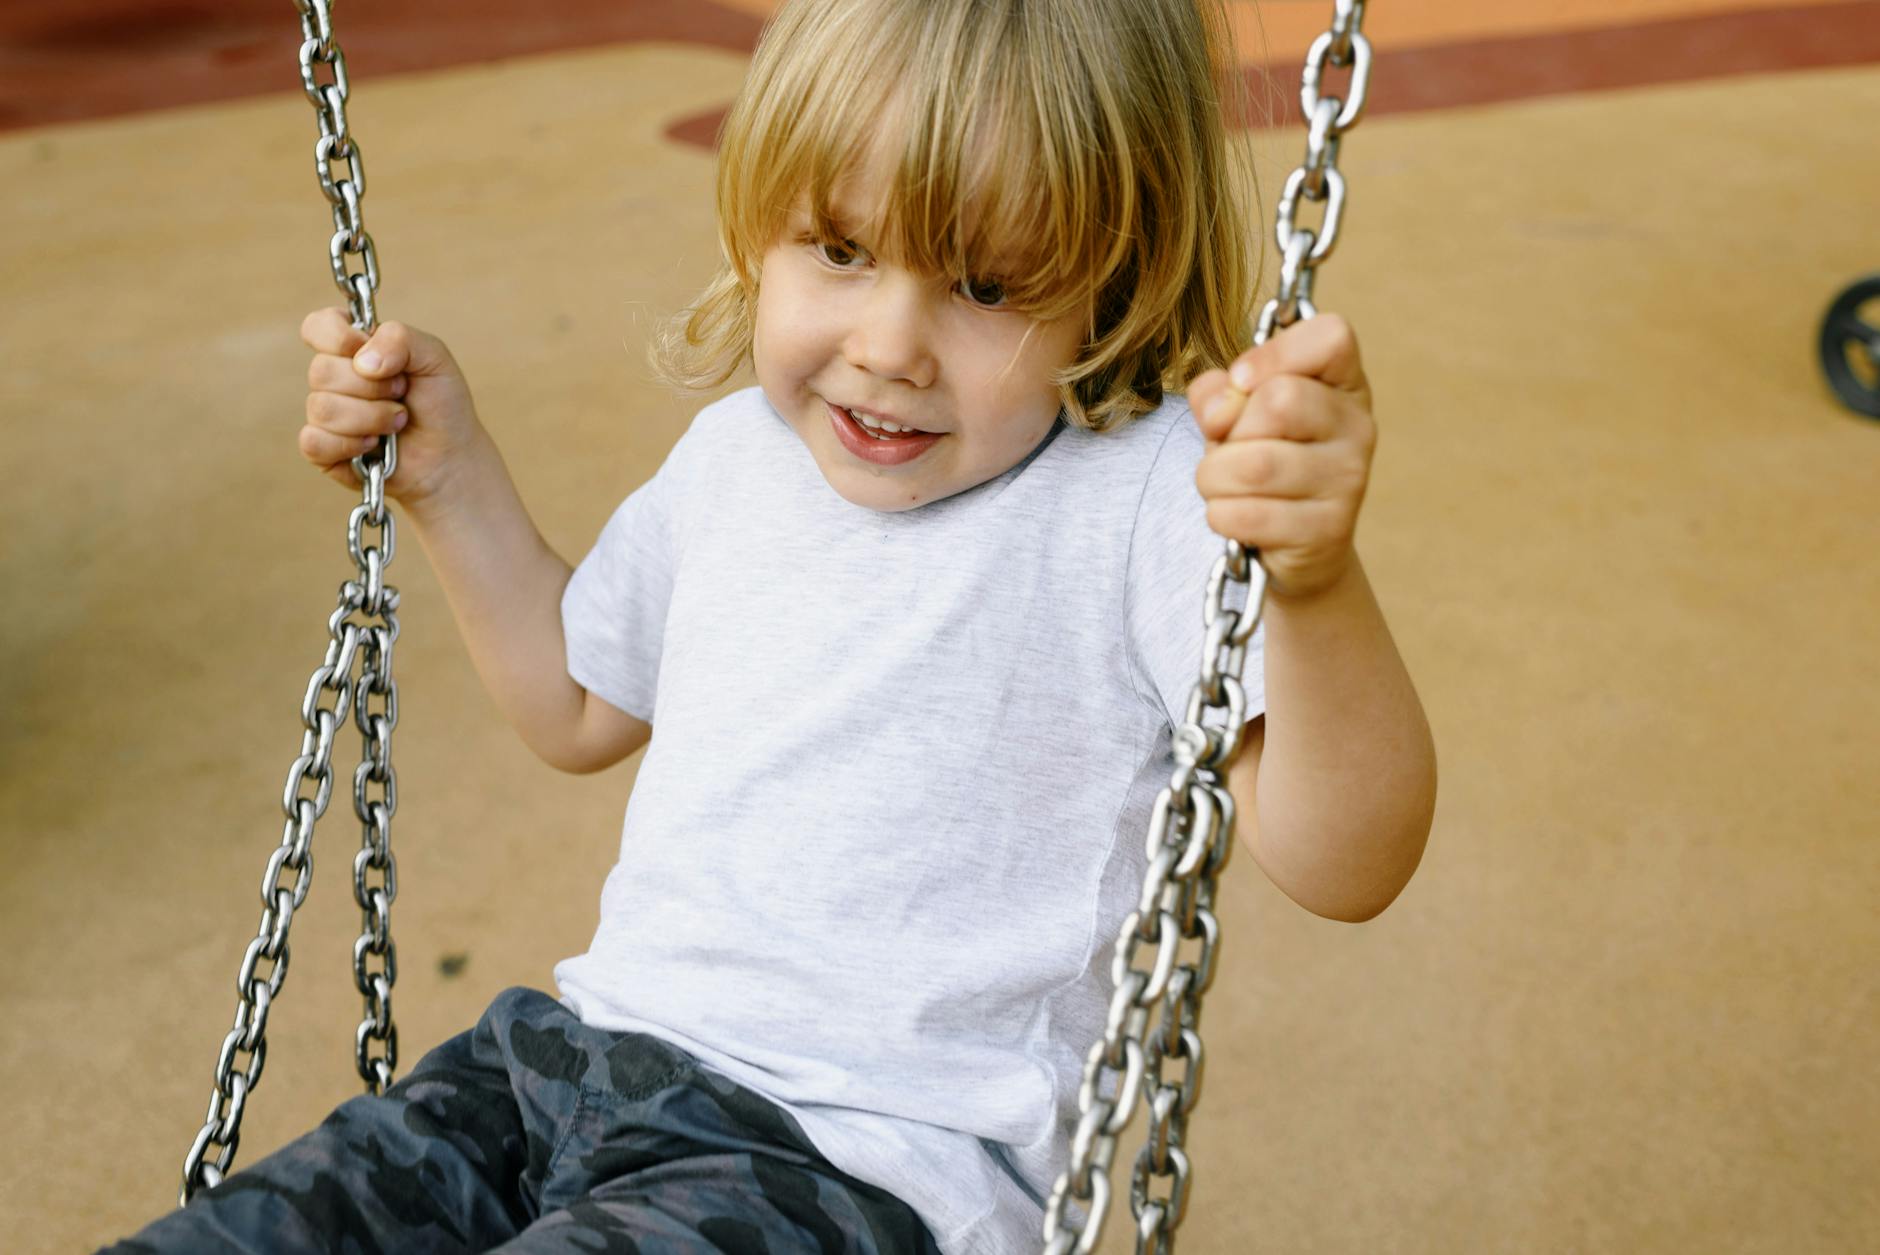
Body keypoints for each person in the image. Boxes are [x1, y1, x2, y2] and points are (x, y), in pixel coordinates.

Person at [108, 0, 1436, 1251]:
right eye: (841, 251)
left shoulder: (1149, 498)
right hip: (557, 1073)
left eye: (986, 286)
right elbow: (577, 707)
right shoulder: (737, 456)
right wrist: (447, 481)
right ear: (760, 229)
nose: (891, 344)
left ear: (1118, 278)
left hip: (850, 1174)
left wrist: (1311, 587)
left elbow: (1345, 860)